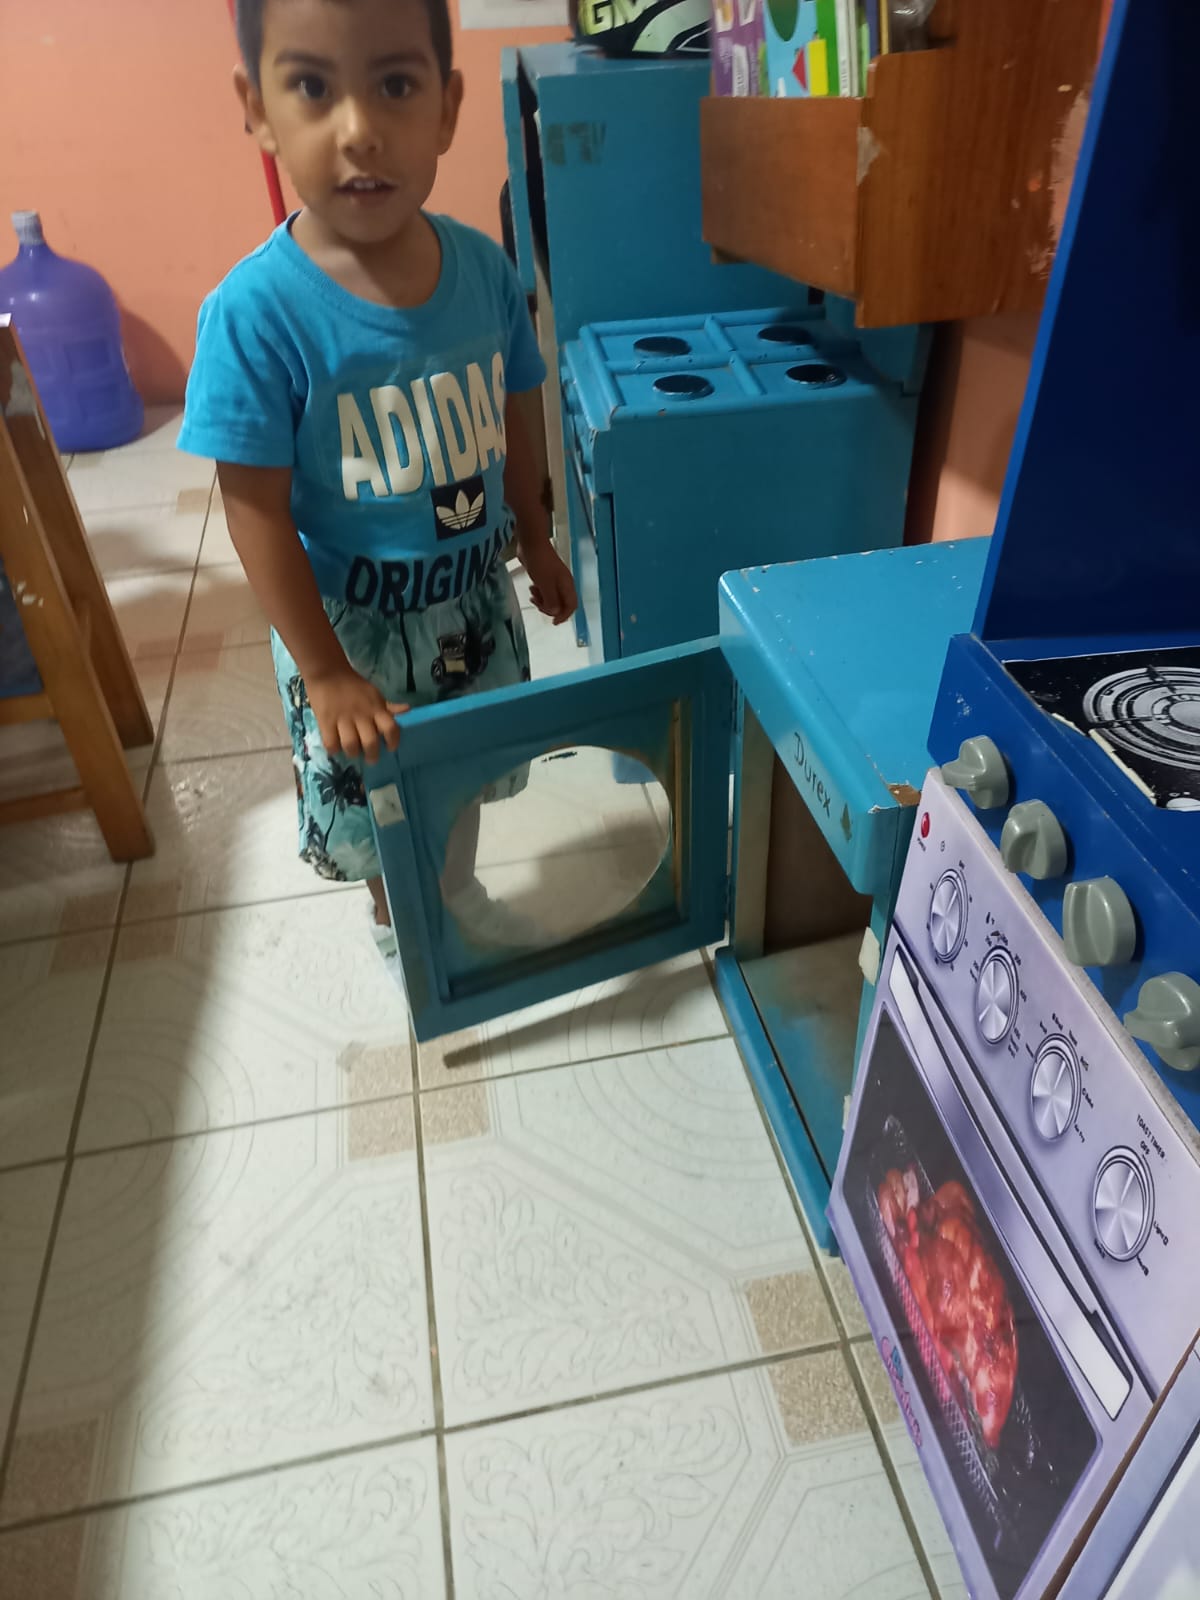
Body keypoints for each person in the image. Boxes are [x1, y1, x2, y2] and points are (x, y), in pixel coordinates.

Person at [179, 0, 577, 961]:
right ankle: (406, 929)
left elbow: (519, 406)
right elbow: (255, 510)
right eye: (313, 87)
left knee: (466, 779)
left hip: (470, 601)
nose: (358, 129)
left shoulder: (485, 272)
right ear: (258, 108)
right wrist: (324, 673)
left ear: (447, 107)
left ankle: (452, 894)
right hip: (350, 632)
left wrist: (534, 536)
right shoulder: (255, 314)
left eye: (395, 84)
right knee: (380, 815)